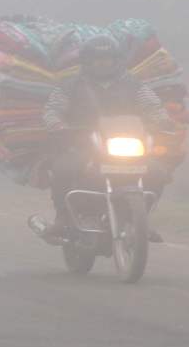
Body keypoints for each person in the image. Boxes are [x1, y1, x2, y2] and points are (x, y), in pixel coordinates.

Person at [39, 34, 174, 241]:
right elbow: (53, 110)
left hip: (128, 145)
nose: (103, 63)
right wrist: (58, 125)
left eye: (108, 59)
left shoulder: (133, 85)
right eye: (98, 59)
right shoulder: (70, 86)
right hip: (82, 145)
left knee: (156, 172)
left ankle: (140, 220)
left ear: (117, 60)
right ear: (87, 61)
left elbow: (153, 107)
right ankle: (63, 218)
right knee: (63, 168)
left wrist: (161, 121)